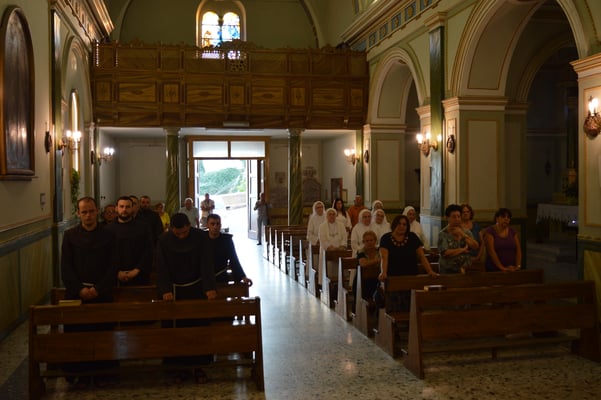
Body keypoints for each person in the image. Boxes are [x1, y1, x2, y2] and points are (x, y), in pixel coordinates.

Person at [60, 196, 118, 389]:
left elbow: (113, 266)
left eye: (91, 211)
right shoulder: (69, 236)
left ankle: (104, 373)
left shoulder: (109, 235)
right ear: (78, 213)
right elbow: (66, 267)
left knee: (103, 335)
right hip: (77, 294)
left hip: (103, 292)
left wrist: (98, 289)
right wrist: (80, 289)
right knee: (78, 336)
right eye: (84, 212)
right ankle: (80, 374)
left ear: (97, 211)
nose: (88, 215)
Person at [156, 213, 217, 384]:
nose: (182, 236)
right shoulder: (163, 240)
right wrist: (165, 290)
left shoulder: (200, 237)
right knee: (175, 331)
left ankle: (200, 366)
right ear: (171, 229)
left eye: (184, 232)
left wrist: (210, 288)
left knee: (198, 328)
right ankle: (178, 367)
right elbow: (161, 267)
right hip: (174, 291)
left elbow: (207, 263)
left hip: (197, 289)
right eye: (178, 234)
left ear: (189, 226)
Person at [378, 215, 437, 312]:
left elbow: (422, 257)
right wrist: (383, 272)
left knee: (412, 305)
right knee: (395, 306)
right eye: (399, 224)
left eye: (404, 224)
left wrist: (430, 271)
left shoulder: (412, 237)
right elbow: (384, 258)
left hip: (411, 276)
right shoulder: (386, 238)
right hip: (393, 277)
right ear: (394, 225)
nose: (401, 226)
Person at [105, 196, 154, 285]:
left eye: (128, 207)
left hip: (139, 275)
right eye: (121, 206)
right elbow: (106, 254)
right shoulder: (108, 230)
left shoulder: (143, 227)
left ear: (132, 208)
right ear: (116, 208)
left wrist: (136, 270)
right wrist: (117, 272)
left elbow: (148, 251)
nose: (124, 210)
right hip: (115, 276)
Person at [205, 213, 253, 286]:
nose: (215, 227)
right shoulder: (202, 239)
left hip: (221, 276)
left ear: (220, 225)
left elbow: (233, 259)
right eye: (212, 224)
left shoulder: (226, 240)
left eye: (217, 224)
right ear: (207, 225)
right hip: (205, 277)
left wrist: (243, 276)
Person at [438, 204, 480, 274]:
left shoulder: (466, 232)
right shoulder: (443, 233)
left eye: (459, 216)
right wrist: (463, 249)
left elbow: (475, 246)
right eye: (454, 217)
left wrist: (463, 235)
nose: (457, 219)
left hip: (465, 268)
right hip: (448, 269)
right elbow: (445, 253)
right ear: (447, 218)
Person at [484, 208, 522, 272]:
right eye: (503, 216)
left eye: (508, 217)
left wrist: (518, 266)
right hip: (494, 269)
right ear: (497, 218)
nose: (506, 219)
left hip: (512, 268)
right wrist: (501, 267)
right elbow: (491, 252)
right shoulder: (490, 231)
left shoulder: (512, 232)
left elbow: (518, 250)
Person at [352, 230, 381, 313]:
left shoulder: (379, 250)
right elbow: (363, 263)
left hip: (376, 280)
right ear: (363, 242)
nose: (369, 242)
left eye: (371, 240)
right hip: (362, 282)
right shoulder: (361, 252)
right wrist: (378, 260)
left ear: (375, 241)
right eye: (367, 241)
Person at [317, 208, 348, 286]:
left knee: (339, 269)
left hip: (339, 251)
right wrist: (330, 247)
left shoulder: (341, 225)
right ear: (327, 216)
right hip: (327, 251)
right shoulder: (322, 226)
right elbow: (322, 239)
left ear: (336, 216)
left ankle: (340, 284)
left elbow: (344, 237)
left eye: (333, 214)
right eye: (330, 214)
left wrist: (342, 246)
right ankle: (326, 285)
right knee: (328, 269)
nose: (332, 216)